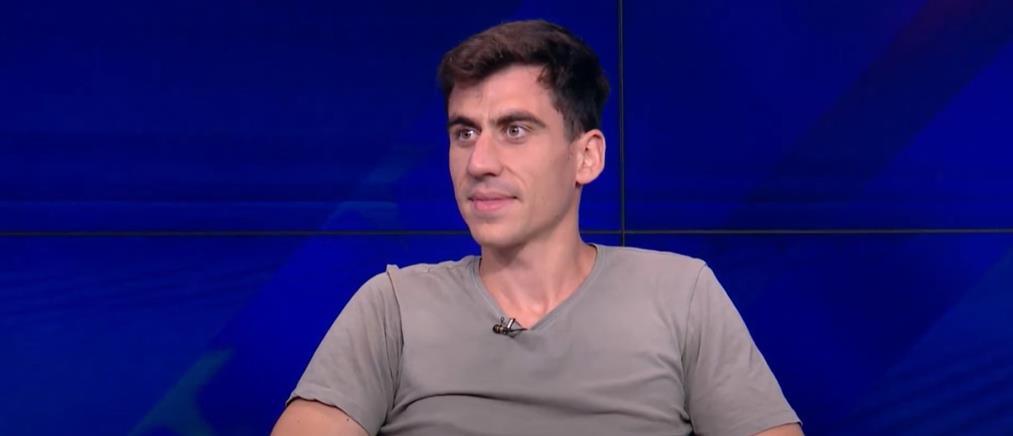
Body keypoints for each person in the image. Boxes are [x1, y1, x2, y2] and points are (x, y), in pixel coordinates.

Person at [272, 19, 802, 436]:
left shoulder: (682, 295)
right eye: (464, 133)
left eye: (515, 130)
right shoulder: (392, 307)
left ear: (586, 157)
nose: (479, 162)